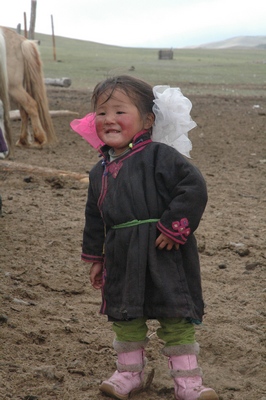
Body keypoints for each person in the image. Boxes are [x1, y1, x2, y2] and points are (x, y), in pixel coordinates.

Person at [71, 75, 218, 400]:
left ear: (148, 120)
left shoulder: (160, 156)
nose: (109, 119)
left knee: (175, 313)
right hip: (122, 254)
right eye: (101, 112)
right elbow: (95, 218)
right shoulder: (99, 172)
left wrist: (174, 226)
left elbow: (193, 187)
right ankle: (128, 374)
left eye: (120, 111)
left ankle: (189, 383)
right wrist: (96, 257)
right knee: (125, 314)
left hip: (164, 249)